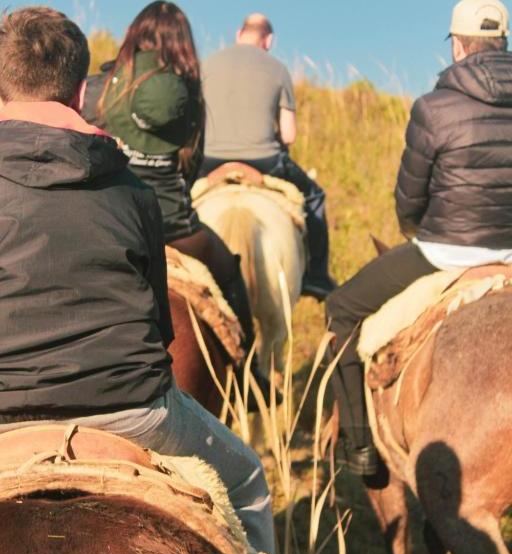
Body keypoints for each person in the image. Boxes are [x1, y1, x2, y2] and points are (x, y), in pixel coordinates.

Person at [0, 7, 274, 554]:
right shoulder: (133, 191)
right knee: (247, 481)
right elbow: (159, 328)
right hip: (132, 410)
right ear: (82, 92)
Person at [326, 0, 512, 476]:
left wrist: (414, 229)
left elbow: (409, 200)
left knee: (341, 308)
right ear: (502, 42)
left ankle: (360, 447)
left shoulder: (433, 107)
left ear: (459, 46)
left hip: (447, 251)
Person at [83, 1, 273, 402]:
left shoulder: (99, 87)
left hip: (109, 217)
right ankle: (250, 374)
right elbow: (191, 166)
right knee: (228, 270)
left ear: (136, 35)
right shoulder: (190, 97)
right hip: (172, 226)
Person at [200, 13, 337, 301]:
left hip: (209, 159)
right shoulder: (278, 69)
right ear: (268, 40)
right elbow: (289, 134)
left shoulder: (208, 64)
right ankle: (316, 277)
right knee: (315, 197)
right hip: (264, 162)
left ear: (239, 34)